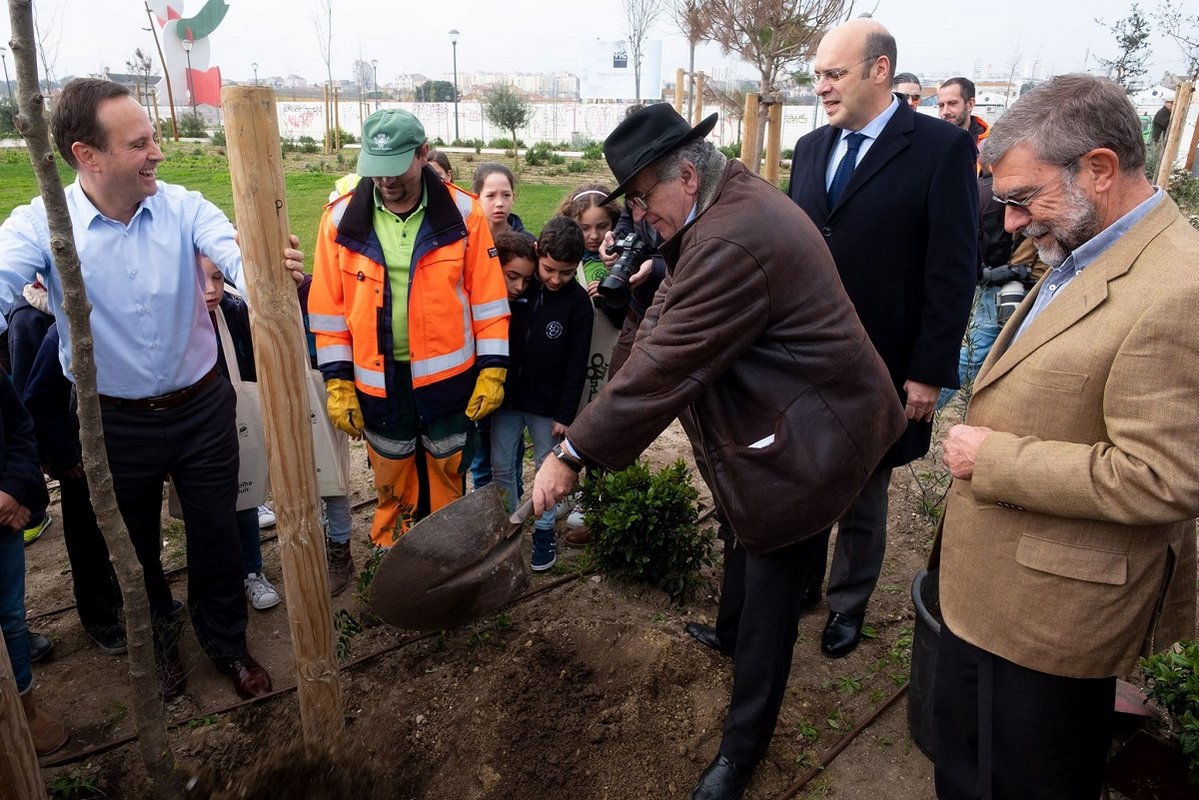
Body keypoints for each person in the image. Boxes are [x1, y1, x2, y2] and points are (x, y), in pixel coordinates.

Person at [531, 103, 905, 800]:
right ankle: (729, 633)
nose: (638, 218)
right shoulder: (720, 204)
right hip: (788, 412)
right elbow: (656, 323)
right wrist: (592, 415)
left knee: (771, 573)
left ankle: (741, 749)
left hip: (815, 432)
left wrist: (574, 452)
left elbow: (667, 362)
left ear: (684, 176)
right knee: (741, 521)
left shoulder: (733, 239)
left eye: (642, 199)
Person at [935, 73, 1199, 800]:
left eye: (1023, 200)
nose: (1012, 222)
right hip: (994, 587)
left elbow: (1167, 475)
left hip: (1055, 617)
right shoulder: (1084, 248)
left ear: (1100, 169)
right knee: (964, 765)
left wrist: (996, 460)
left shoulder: (1179, 287)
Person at [0, 78, 302, 700]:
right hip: (112, 421)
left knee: (217, 530)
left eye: (154, 138)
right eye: (139, 143)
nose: (156, 152)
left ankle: (226, 642)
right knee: (132, 547)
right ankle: (160, 643)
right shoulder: (42, 225)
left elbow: (237, 253)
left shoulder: (184, 207)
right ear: (88, 155)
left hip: (201, 407)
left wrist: (269, 267)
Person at [787, 19, 978, 659]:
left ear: (878, 70)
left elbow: (952, 269)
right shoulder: (811, 149)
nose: (821, 87)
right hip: (807, 360)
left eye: (833, 74)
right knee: (806, 475)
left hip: (885, 365)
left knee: (863, 489)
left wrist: (927, 371)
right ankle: (803, 588)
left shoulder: (938, 149)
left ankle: (848, 605)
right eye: (816, 75)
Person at [309, 108, 510, 548]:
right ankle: (394, 556)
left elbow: (489, 302)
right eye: (377, 171)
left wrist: (493, 368)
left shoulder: (464, 214)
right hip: (378, 381)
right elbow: (328, 312)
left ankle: (447, 551)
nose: (386, 181)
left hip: (449, 380)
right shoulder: (340, 220)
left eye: (396, 169)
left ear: (422, 154)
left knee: (447, 464)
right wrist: (339, 383)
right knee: (391, 467)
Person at [491, 216, 590, 571]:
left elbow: (577, 364)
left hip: (547, 407)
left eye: (565, 272)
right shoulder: (522, 286)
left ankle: (544, 530)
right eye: (548, 269)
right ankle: (510, 526)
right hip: (506, 400)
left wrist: (565, 413)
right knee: (502, 466)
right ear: (538, 253)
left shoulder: (578, 304)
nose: (554, 279)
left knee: (546, 470)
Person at [198, 254, 281, 612]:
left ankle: (251, 571)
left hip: (235, 419)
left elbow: (250, 362)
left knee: (243, 496)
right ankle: (216, 580)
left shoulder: (232, 310)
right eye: (201, 280)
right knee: (207, 508)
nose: (210, 290)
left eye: (218, 278)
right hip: (195, 426)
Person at [0, 369, 63, 754]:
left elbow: (21, 427)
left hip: (3, 523)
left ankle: (24, 708)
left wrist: (14, 489)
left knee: (10, 615)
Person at [472, 162, 528, 239]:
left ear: (513, 197)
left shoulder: (528, 243)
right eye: (491, 195)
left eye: (506, 195)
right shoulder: (465, 241)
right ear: (477, 198)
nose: (499, 203)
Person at [937, 76, 989, 148]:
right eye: (941, 105)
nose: (945, 112)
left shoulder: (988, 146)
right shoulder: (930, 140)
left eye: (952, 103)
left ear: (970, 104)